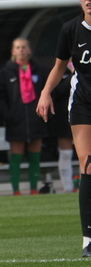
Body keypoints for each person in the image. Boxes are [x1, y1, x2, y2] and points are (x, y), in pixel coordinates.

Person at [38, 0, 91, 257]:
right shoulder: (70, 29)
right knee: (89, 165)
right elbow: (59, 67)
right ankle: (88, 240)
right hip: (83, 103)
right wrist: (46, 92)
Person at [0, 37, 48, 195]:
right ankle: (16, 190)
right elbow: (0, 96)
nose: (21, 50)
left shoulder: (39, 70)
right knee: (16, 156)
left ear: (29, 50)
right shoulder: (6, 72)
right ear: (13, 51)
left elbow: (47, 92)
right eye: (18, 47)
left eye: (24, 47)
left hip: (35, 119)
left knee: (35, 155)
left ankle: (34, 188)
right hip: (16, 120)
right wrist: (8, 114)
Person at [49, 62, 77, 193]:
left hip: (84, 115)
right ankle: (67, 187)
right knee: (66, 153)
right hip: (63, 117)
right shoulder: (58, 70)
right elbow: (56, 92)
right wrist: (73, 75)